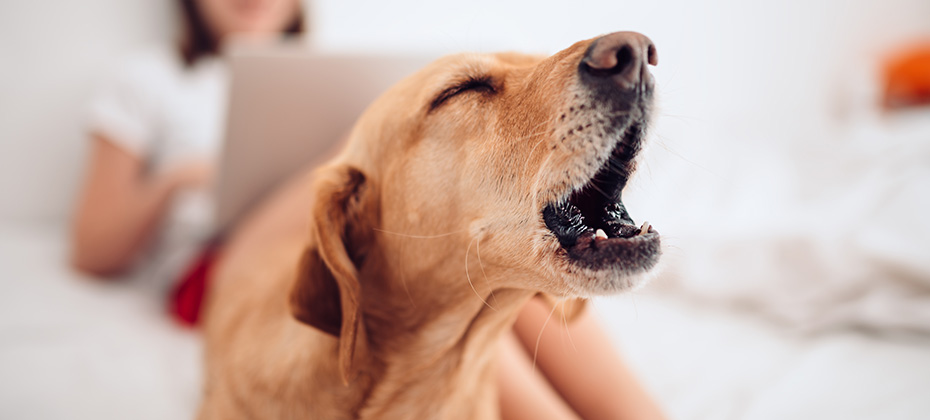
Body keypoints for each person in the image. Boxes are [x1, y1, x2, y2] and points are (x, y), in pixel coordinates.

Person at [69, 1, 666, 418]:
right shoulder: (150, 78)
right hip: (220, 256)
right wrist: (183, 177)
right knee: (434, 289)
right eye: (468, 90)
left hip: (389, 225)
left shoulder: (331, 66)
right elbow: (92, 247)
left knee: (490, 275)